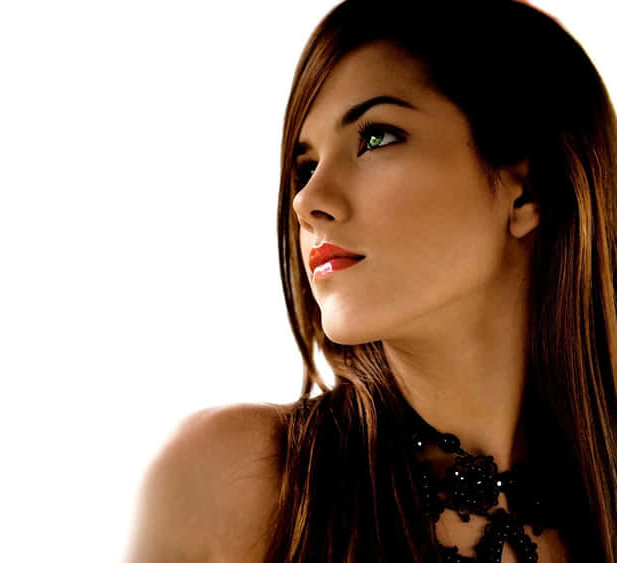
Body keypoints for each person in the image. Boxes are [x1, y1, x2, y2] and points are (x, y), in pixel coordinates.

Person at [127, 1, 617, 561]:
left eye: (376, 137)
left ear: (527, 192)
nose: (307, 201)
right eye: (305, 167)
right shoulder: (237, 482)